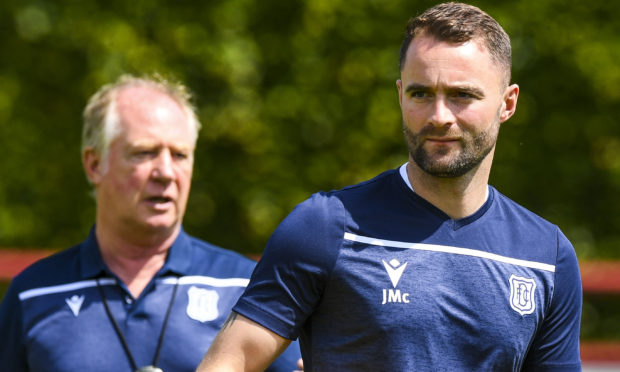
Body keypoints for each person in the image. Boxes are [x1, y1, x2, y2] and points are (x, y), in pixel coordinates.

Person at [197, 2, 583, 371]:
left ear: (507, 103)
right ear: (400, 95)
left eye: (462, 95)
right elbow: (227, 364)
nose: (439, 116)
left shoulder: (546, 255)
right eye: (421, 94)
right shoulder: (325, 226)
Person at [0, 75, 301, 372]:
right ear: (94, 164)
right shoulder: (33, 294)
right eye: (144, 153)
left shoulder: (243, 286)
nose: (166, 173)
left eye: (180, 155)